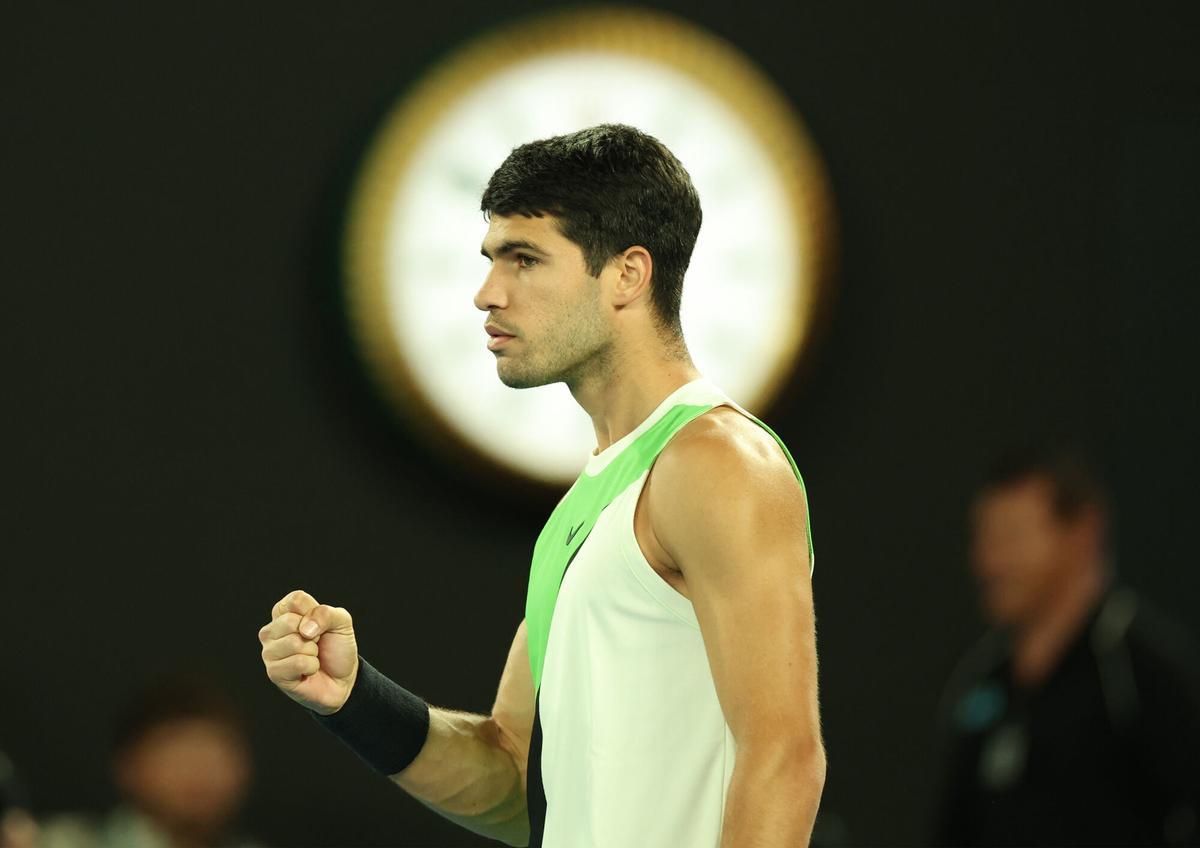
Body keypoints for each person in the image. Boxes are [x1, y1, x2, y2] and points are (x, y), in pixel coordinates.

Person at [259, 123, 824, 847]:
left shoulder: (720, 464)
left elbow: (784, 758)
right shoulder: (587, 503)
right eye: (492, 259)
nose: (487, 293)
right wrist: (352, 698)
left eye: (523, 259)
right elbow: (512, 781)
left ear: (628, 274)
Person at [934, 445, 1200, 846]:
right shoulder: (979, 684)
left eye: (1012, 536)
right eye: (984, 537)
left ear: (1082, 533)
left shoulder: (1138, 675)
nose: (990, 562)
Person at [38, 676, 261, 848]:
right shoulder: (59, 842)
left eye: (216, 755)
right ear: (129, 766)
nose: (200, 772)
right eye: (179, 754)